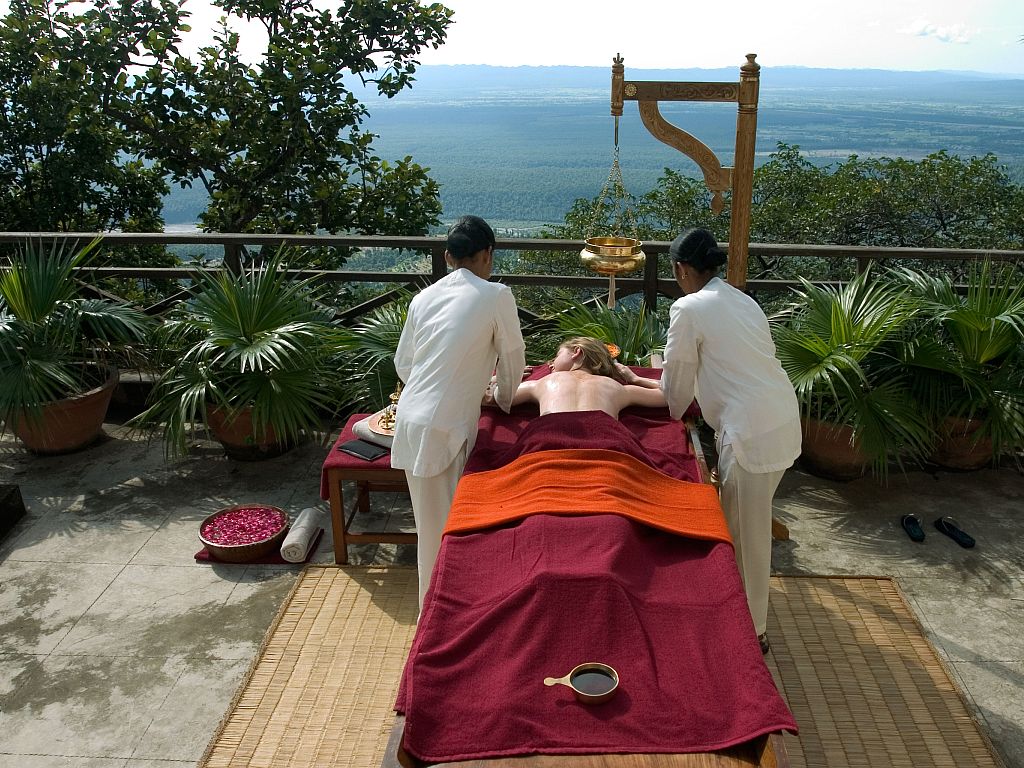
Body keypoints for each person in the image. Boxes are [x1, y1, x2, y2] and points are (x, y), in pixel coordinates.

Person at [620, 228, 801, 655]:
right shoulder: (743, 299)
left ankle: (752, 634)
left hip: (750, 432)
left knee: (746, 537)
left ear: (681, 269)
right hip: (781, 418)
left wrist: (640, 387)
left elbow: (677, 392)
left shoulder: (688, 308)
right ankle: (742, 620)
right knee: (746, 527)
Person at [391, 215, 526, 611]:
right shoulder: (496, 295)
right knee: (441, 535)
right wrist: (501, 399)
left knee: (431, 528)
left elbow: (405, 363)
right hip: (442, 427)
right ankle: (435, 625)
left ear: (448, 256)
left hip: (414, 418)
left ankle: (443, 615)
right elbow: (513, 359)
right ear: (488, 254)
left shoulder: (423, 298)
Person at [489, 336, 666, 417]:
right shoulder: (616, 388)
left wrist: (502, 378)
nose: (550, 364)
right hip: (605, 441)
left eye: (557, 355)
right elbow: (670, 395)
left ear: (576, 352)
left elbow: (497, 398)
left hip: (551, 436)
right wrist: (635, 378)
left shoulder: (544, 382)